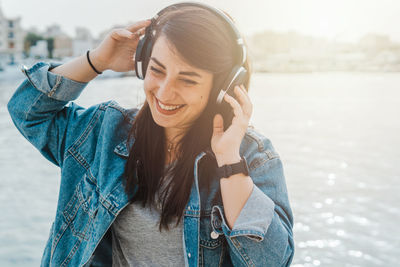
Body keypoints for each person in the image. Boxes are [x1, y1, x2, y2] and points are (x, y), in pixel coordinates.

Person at [7, 3, 294, 266]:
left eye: (188, 79)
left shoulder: (253, 157)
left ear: (224, 88)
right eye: (157, 70)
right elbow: (26, 111)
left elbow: (271, 262)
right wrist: (97, 61)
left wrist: (230, 163)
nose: (165, 92)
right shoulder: (104, 131)